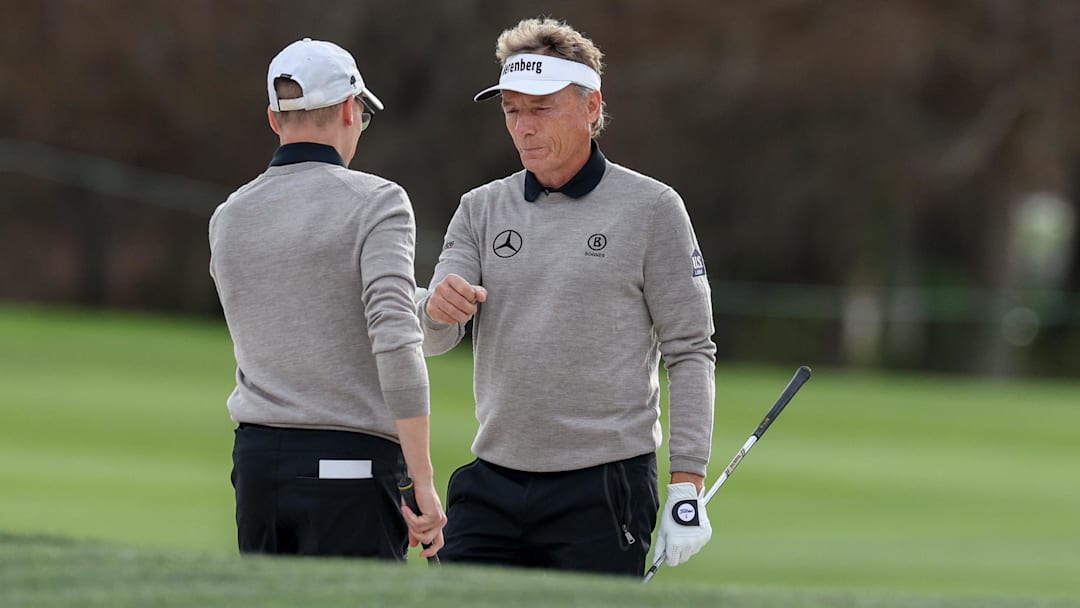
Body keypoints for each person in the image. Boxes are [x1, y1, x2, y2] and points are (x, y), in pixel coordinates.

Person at [418, 18, 716, 576]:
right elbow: (436, 337)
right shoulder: (479, 208)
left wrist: (687, 483)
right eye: (512, 110)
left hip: (603, 486)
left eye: (541, 108)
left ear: (590, 107)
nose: (523, 128)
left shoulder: (653, 209)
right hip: (493, 479)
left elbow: (690, 349)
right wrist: (435, 310)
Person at [209, 38, 445, 560]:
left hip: (255, 465)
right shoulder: (378, 202)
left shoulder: (229, 215)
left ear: (275, 119)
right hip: (351, 464)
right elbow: (394, 338)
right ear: (347, 110)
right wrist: (422, 480)